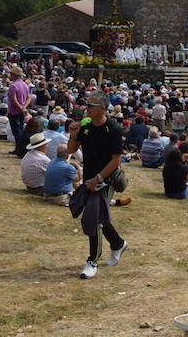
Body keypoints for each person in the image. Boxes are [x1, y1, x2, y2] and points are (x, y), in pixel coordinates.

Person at [67, 92, 128, 280]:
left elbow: (116, 160)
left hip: (107, 179)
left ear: (103, 108)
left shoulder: (114, 129)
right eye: (87, 104)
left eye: (91, 105)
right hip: (89, 179)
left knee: (93, 218)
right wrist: (73, 135)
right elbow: (71, 150)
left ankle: (92, 260)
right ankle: (117, 243)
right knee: (99, 215)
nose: (87, 108)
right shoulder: (85, 127)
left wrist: (98, 179)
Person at [7, 66, 31, 157]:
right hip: (21, 111)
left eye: (11, 74)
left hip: (14, 111)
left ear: (14, 75)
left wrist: (21, 108)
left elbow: (13, 99)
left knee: (17, 132)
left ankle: (20, 150)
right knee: (20, 130)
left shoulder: (13, 86)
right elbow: (29, 97)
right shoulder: (25, 85)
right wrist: (24, 107)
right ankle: (18, 149)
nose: (10, 75)